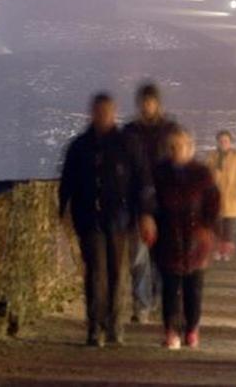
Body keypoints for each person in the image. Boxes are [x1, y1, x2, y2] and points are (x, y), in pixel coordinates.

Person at [59, 92, 157, 347]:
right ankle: (95, 326)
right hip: (89, 218)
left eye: (107, 112)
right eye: (99, 112)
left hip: (119, 219)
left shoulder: (127, 144)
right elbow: (68, 181)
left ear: (113, 113)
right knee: (96, 272)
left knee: (117, 272)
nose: (103, 116)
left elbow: (142, 180)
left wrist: (145, 213)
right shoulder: (80, 147)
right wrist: (63, 211)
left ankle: (114, 324)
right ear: (93, 113)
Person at [152, 126, 220, 349]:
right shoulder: (160, 172)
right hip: (168, 238)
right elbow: (151, 201)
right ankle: (171, 331)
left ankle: (192, 328)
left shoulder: (202, 173)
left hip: (196, 240)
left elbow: (213, 202)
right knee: (170, 288)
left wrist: (207, 226)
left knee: (194, 288)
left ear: (190, 148)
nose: (177, 150)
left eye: (181, 146)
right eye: (173, 146)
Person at [123, 82, 178, 323]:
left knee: (160, 255)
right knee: (138, 256)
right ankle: (142, 304)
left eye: (150, 101)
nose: (147, 106)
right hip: (136, 202)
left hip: (165, 203)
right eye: (144, 102)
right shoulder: (130, 132)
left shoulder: (170, 130)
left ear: (157, 103)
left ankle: (154, 297)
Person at [207, 130, 236, 261]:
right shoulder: (212, 156)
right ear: (217, 142)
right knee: (216, 226)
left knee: (228, 228)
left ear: (230, 142)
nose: (223, 143)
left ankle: (226, 251)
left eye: (226, 141)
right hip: (215, 196)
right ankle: (217, 249)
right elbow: (206, 176)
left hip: (232, 197)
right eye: (221, 141)